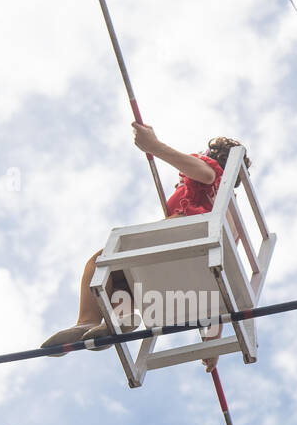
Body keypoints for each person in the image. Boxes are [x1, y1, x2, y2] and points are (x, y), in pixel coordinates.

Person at [40, 122, 250, 349]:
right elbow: (217, 280)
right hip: (196, 265)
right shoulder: (230, 211)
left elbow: (206, 174)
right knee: (123, 278)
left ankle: (87, 321)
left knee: (101, 261)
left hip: (185, 236)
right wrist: (212, 343)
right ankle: (122, 318)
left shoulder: (212, 175)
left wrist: (154, 146)